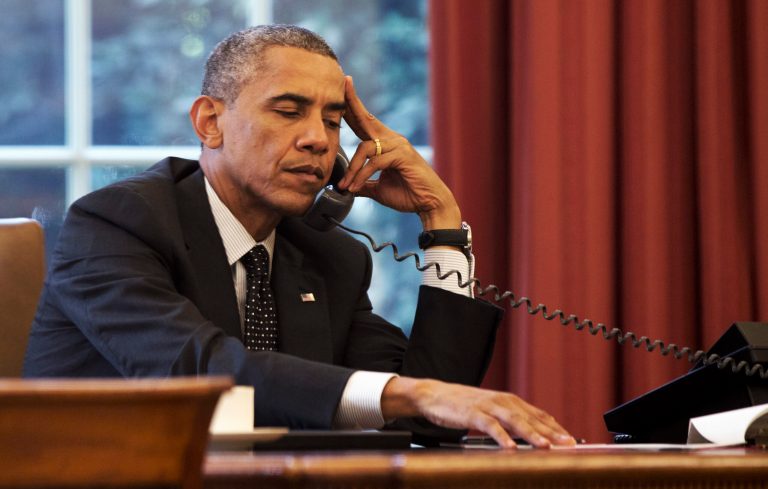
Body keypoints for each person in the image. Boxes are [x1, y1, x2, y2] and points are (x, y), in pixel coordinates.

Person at [24, 25, 574, 448]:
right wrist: (417, 394)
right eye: (289, 111)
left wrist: (442, 224)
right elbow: (204, 374)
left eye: (333, 121)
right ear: (209, 122)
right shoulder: (118, 222)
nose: (317, 139)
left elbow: (426, 419)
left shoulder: (328, 255)